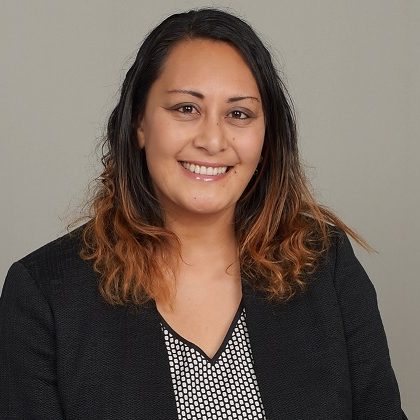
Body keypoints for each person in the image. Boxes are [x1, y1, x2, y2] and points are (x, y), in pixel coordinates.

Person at [0, 8, 407, 420]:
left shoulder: (326, 266)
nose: (213, 140)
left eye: (239, 114)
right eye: (185, 109)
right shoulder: (44, 294)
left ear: (266, 139)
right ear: (139, 123)